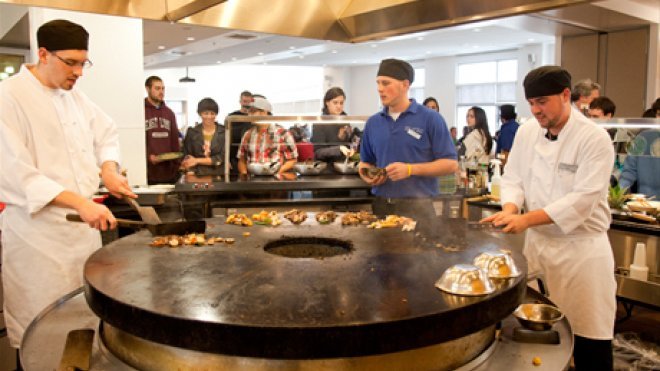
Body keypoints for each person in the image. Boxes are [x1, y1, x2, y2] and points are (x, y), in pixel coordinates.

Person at [0, 19, 134, 349]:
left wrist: (109, 169)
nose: (79, 72)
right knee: (40, 336)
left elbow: (106, 132)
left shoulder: (73, 97)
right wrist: (79, 203)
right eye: (71, 63)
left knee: (80, 326)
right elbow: (17, 174)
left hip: (81, 235)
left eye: (83, 62)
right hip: (37, 240)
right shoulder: (8, 97)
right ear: (43, 54)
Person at [482, 66, 616, 371]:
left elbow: (582, 201)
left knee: (589, 339)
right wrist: (511, 208)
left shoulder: (593, 138)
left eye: (542, 101)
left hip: (581, 255)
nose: (535, 110)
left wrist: (526, 220)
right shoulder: (529, 131)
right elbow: (513, 176)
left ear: (566, 95)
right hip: (540, 249)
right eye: (531, 103)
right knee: (535, 340)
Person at [358, 58, 457, 225]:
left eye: (386, 83)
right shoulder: (373, 123)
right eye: (378, 83)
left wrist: (411, 169)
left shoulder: (430, 119)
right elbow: (364, 163)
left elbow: (450, 164)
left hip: (419, 208)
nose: (380, 89)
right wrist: (368, 176)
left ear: (405, 85)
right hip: (382, 206)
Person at [237, 97, 298, 175]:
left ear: (264, 112)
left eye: (253, 111)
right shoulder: (248, 134)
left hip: (276, 182)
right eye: (249, 111)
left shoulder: (283, 133)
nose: (249, 115)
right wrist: (244, 176)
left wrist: (278, 173)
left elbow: (292, 160)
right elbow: (242, 160)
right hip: (253, 180)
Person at [144, 75, 182, 184]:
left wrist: (177, 164)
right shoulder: (141, 111)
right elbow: (136, 141)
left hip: (169, 173)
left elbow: (175, 141)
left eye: (163, 88)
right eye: (157, 88)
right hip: (148, 173)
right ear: (147, 89)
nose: (161, 91)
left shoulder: (169, 113)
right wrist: (148, 157)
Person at [181, 98, 226, 176]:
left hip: (219, 174)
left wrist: (197, 160)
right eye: (206, 113)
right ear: (200, 113)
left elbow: (222, 157)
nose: (209, 116)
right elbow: (187, 155)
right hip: (196, 174)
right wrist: (189, 167)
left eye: (212, 113)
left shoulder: (224, 132)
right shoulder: (192, 132)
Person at [311, 87, 353, 162]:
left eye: (341, 103)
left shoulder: (345, 120)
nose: (339, 106)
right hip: (325, 167)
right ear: (327, 102)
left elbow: (349, 143)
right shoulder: (320, 122)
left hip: (343, 164)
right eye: (335, 102)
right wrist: (339, 148)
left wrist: (352, 148)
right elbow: (318, 152)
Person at [225, 90, 253, 173]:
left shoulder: (255, 117)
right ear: (240, 102)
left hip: (250, 154)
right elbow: (226, 137)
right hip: (234, 154)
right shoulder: (232, 116)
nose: (246, 104)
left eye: (249, 102)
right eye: (244, 101)